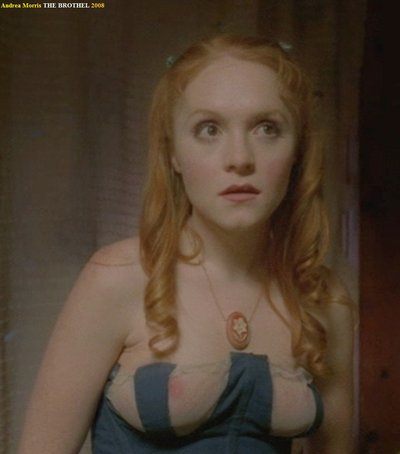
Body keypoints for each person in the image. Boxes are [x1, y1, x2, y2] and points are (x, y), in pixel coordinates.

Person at [18, 34, 356, 453]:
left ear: (298, 151)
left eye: (267, 128)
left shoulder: (324, 299)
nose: (240, 158)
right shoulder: (116, 279)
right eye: (208, 129)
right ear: (174, 154)